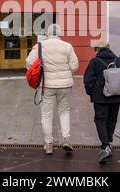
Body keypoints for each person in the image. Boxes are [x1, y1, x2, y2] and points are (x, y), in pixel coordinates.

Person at [26, 24, 79, 155]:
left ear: (48, 33)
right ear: (59, 33)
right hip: (65, 85)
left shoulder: (40, 46)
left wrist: (39, 74)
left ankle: (48, 144)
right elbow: (75, 65)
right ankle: (66, 139)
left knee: (46, 115)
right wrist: (67, 74)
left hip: (46, 86)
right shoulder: (67, 46)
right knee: (64, 111)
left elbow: (28, 62)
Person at [83, 40, 120, 163]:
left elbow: (88, 80)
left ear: (97, 49)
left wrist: (92, 92)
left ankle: (105, 145)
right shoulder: (118, 60)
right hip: (116, 96)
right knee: (112, 119)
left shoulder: (95, 62)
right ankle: (109, 142)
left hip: (100, 98)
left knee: (100, 120)